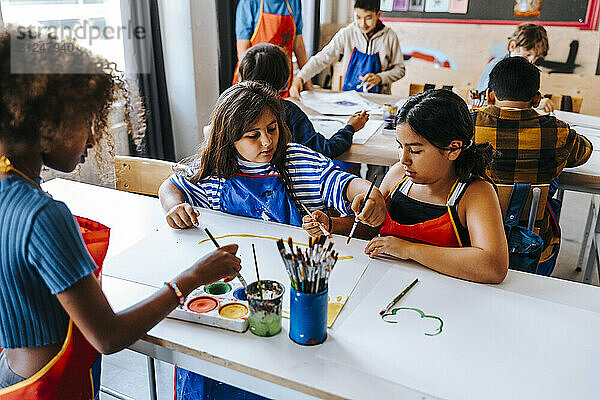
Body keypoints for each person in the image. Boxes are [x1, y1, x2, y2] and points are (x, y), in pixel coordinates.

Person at [0, 27, 242, 397]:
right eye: (86, 120)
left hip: (10, 371)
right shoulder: (43, 216)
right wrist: (193, 277)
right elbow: (108, 337)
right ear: (46, 122)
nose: (94, 137)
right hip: (49, 386)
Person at [158, 81, 385, 398]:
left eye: (273, 129)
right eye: (253, 135)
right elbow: (170, 185)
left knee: (281, 370)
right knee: (213, 363)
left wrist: (366, 198)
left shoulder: (297, 164)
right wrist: (174, 207)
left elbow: (346, 184)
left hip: (288, 288)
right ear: (229, 139)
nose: (267, 141)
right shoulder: (215, 172)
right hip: (233, 289)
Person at [303, 90, 509, 284]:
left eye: (416, 151)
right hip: (387, 284)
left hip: (448, 298)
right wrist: (332, 225)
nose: (403, 160)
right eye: (400, 147)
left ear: (453, 149)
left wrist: (409, 250)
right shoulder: (398, 177)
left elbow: (493, 266)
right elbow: (372, 228)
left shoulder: (474, 193)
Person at [473, 56, 593, 275]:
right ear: (537, 99)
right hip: (533, 240)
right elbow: (585, 151)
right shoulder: (557, 131)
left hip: (471, 232)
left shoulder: (468, 124)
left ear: (490, 95)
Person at [238, 42, 367, 172]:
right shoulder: (287, 111)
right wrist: (350, 128)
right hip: (288, 183)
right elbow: (325, 150)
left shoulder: (234, 110)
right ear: (284, 79)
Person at [290, 0, 405, 97]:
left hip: (379, 98)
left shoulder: (390, 37)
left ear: (378, 15)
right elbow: (323, 57)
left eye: (368, 18)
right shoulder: (347, 33)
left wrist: (381, 77)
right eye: (358, 17)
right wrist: (301, 77)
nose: (362, 23)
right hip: (350, 98)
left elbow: (400, 69)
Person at [234, 0, 309, 96]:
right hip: (254, 80)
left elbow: (298, 45)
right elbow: (242, 51)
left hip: (282, 83)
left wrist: (307, 82)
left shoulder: (293, 2)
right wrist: (246, 87)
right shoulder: (249, 3)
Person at [476, 23, 553, 113]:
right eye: (528, 55)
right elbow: (485, 101)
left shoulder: (522, 71)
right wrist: (537, 104)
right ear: (512, 46)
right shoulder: (499, 67)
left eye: (536, 57)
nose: (532, 61)